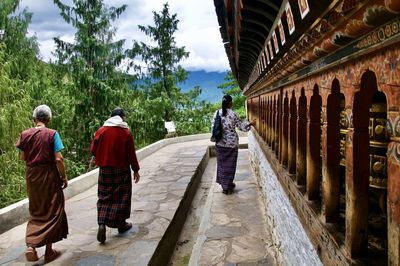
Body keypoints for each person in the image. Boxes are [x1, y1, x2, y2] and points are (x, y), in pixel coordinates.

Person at [16, 105, 68, 263]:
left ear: (34, 119)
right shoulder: (52, 134)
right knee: (53, 210)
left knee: (36, 210)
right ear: (49, 119)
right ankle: (49, 251)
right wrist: (64, 177)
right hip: (49, 176)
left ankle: (31, 246)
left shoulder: (25, 135)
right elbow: (58, 158)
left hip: (32, 177)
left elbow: (22, 158)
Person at [90, 107, 140, 244]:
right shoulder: (125, 132)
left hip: (105, 171)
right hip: (121, 170)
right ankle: (121, 224)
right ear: (122, 117)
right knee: (122, 197)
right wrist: (135, 170)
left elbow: (93, 149)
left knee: (104, 196)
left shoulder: (101, 131)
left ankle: (102, 222)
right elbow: (131, 153)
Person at [212, 95, 253, 195]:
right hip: (231, 144)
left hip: (220, 143)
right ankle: (228, 185)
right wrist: (251, 123)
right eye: (232, 101)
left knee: (222, 165)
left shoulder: (217, 113)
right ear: (230, 103)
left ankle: (224, 186)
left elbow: (213, 127)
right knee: (230, 165)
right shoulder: (233, 114)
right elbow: (242, 127)